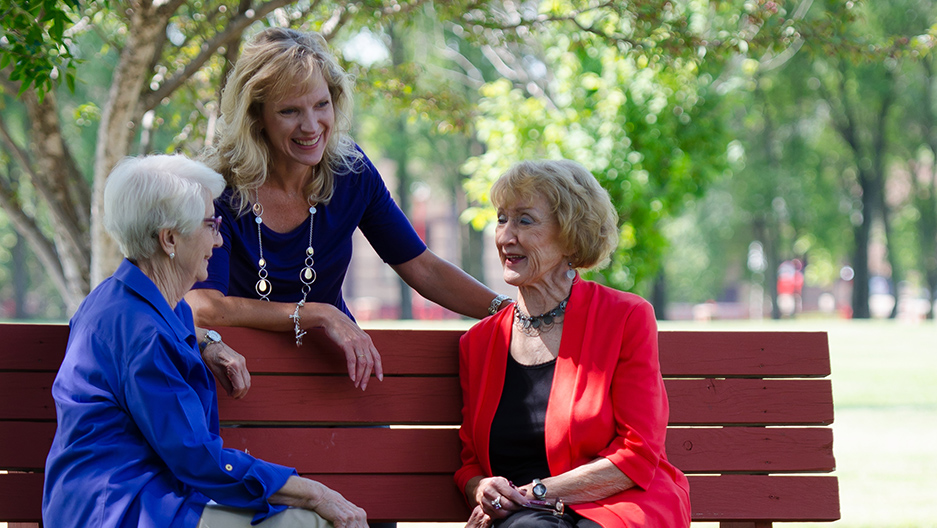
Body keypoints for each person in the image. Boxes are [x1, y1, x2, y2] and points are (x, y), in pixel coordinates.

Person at [42, 154, 368, 528]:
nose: (218, 239)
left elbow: (157, 337)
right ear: (170, 239)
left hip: (126, 496)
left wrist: (207, 340)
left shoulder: (128, 298)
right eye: (211, 225)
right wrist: (317, 492)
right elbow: (196, 458)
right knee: (311, 523)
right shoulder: (143, 332)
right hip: (121, 508)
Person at [186, 27, 510, 391]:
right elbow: (203, 305)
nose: (311, 127)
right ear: (257, 117)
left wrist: (509, 311)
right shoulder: (217, 187)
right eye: (290, 111)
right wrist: (319, 313)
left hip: (334, 370)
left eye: (321, 105)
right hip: (239, 379)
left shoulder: (351, 172)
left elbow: (423, 267)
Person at [454, 160, 691, 528]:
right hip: (527, 518)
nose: (506, 236)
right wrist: (482, 488)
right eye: (502, 219)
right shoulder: (479, 343)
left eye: (525, 220)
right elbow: (470, 462)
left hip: (618, 505)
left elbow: (638, 454)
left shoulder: (625, 317)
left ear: (569, 236)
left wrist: (534, 492)